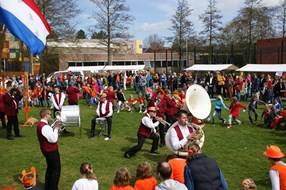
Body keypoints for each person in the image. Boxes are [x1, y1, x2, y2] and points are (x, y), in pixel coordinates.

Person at [36, 108, 61, 190]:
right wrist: (56, 129)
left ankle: (48, 186)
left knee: (50, 169)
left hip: (46, 150)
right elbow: (53, 139)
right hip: (51, 151)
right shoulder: (45, 127)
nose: (50, 116)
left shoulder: (41, 124)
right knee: (55, 171)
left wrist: (53, 128)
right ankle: (53, 188)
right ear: (46, 115)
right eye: (49, 114)